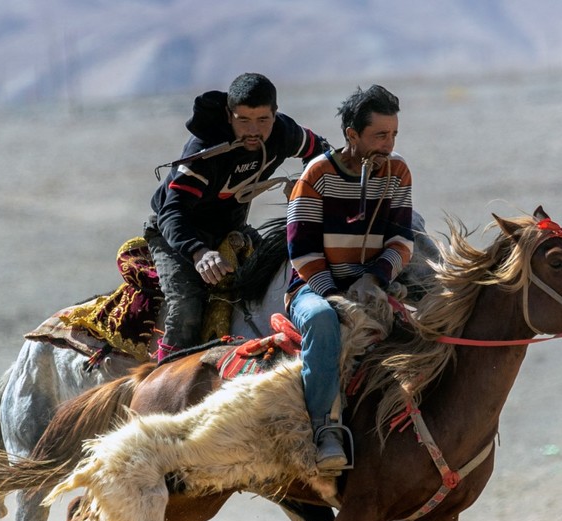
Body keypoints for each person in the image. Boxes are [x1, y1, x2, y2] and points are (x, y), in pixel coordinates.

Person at [146, 72, 329, 359]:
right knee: (187, 307)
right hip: (178, 235)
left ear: (275, 114)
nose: (253, 130)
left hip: (232, 231)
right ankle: (162, 384)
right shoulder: (205, 150)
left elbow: (322, 153)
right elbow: (173, 211)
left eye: (262, 120)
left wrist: (307, 183)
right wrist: (198, 253)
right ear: (229, 116)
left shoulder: (284, 133)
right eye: (243, 120)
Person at [285, 84, 414, 472]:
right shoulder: (317, 175)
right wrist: (336, 298)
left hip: (371, 286)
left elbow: (401, 239)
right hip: (315, 287)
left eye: (392, 135)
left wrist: (374, 280)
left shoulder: (397, 171)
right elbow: (302, 251)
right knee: (324, 322)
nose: (388, 145)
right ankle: (325, 429)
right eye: (379, 136)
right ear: (351, 135)